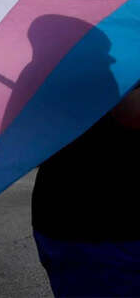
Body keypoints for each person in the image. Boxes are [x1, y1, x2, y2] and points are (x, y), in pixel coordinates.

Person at [32, 84, 140, 297]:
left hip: (69, 218)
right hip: (101, 230)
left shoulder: (50, 66)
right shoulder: (102, 65)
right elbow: (130, 111)